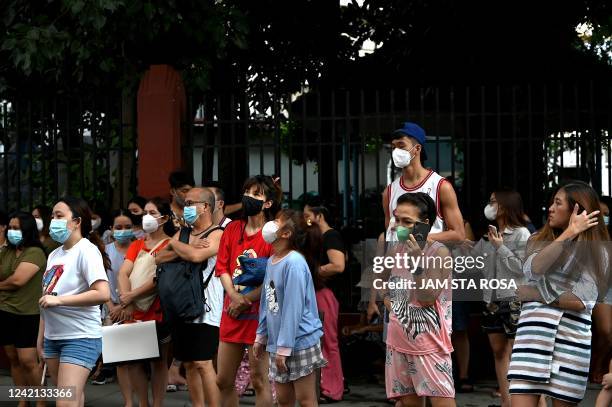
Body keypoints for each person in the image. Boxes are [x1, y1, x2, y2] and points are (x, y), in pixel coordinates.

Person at [508, 181, 609, 406]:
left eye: (557, 203)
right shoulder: (537, 240)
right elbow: (534, 268)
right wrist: (568, 234)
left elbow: (581, 300)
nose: (550, 208)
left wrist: (536, 294)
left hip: (570, 344)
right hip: (531, 341)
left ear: (577, 210)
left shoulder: (598, 251)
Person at [377, 192, 455, 407]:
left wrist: (417, 264)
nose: (398, 226)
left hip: (429, 344)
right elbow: (380, 278)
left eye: (407, 221)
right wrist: (385, 299)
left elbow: (428, 298)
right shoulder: (394, 248)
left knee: (443, 402)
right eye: (397, 219)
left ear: (425, 224)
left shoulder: (439, 252)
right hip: (397, 339)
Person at [36, 197, 111, 407]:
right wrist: (41, 338)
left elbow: (102, 293)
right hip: (53, 337)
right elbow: (47, 298)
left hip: (81, 337)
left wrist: (59, 300)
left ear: (77, 221)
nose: (53, 220)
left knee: (65, 401)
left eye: (59, 216)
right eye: (52, 216)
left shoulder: (87, 251)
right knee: (73, 399)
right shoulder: (54, 255)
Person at [215, 175, 282, 407]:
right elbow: (222, 267)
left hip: (260, 318)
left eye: (256, 194)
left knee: (259, 379)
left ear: (268, 203)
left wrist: (245, 299)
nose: (248, 197)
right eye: (247, 192)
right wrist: (234, 297)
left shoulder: (273, 234)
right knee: (223, 380)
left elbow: (276, 276)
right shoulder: (233, 229)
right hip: (231, 312)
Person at [155, 188, 225, 407]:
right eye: (185, 204)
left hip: (206, 307)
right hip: (180, 305)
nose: (186, 209)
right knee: (189, 363)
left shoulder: (217, 233)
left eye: (190, 203)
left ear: (205, 207)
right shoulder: (184, 234)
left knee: (204, 363)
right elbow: (159, 257)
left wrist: (174, 243)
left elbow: (196, 256)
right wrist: (183, 245)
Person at [253, 209, 327, 407]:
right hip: (278, 343)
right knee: (284, 400)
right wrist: (261, 336)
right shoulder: (271, 261)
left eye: (277, 221)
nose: (270, 224)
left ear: (286, 234)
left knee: (305, 400)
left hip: (300, 341)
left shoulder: (294, 262)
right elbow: (266, 302)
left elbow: (293, 309)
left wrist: (284, 348)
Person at [465, 188, 531, 407]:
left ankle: (521, 401)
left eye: (493, 201)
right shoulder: (488, 235)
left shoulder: (521, 233)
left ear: (504, 205)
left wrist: (500, 248)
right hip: (490, 300)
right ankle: (506, 401)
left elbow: (523, 269)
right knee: (498, 352)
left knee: (516, 353)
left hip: (513, 298)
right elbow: (472, 264)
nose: (489, 206)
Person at [117, 197, 176, 407]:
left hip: (158, 312)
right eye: (145, 213)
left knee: (158, 363)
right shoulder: (137, 244)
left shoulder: (171, 244)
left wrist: (132, 296)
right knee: (133, 362)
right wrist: (128, 301)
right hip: (132, 312)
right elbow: (123, 273)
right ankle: (143, 403)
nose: (147, 218)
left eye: (152, 213)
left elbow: (159, 279)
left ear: (165, 218)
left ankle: (157, 404)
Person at [383, 122, 464, 243]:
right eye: (393, 147)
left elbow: (459, 235)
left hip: (431, 259)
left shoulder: (441, 186)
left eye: (401, 145)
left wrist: (418, 238)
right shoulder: (388, 192)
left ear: (417, 149)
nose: (396, 151)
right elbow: (391, 235)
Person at [0, 212, 47, 407]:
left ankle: (41, 400)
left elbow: (18, 280)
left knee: (27, 360)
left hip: (28, 313)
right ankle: (22, 399)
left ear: (27, 229)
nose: (11, 231)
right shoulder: (7, 251)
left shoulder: (35, 252)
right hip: (5, 310)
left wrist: (4, 283)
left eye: (16, 228)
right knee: (13, 359)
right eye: (9, 227)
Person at [91, 210, 136, 404]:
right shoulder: (105, 251)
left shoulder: (139, 249)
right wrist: (111, 306)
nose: (123, 230)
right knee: (121, 360)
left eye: (127, 227)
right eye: (118, 227)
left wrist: (127, 305)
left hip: (135, 308)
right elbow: (100, 282)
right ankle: (128, 401)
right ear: (111, 229)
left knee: (139, 360)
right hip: (111, 310)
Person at [303, 199, 346, 402]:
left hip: (325, 293)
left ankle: (332, 389)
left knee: (328, 342)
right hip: (317, 292)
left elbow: (338, 265)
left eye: (307, 216)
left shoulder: (331, 236)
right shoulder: (316, 237)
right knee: (318, 342)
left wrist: (310, 273)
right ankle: (324, 386)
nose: (305, 221)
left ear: (319, 216)